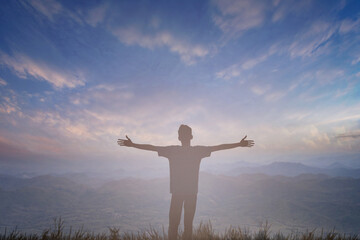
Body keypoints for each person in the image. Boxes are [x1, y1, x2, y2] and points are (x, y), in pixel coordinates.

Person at [117, 124, 254, 240]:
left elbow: (151, 147)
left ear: (179, 137)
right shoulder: (198, 151)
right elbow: (218, 147)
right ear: (191, 137)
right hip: (191, 194)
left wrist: (133, 144)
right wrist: (239, 144)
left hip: (177, 194)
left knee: (173, 226)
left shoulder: (172, 151)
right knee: (188, 226)